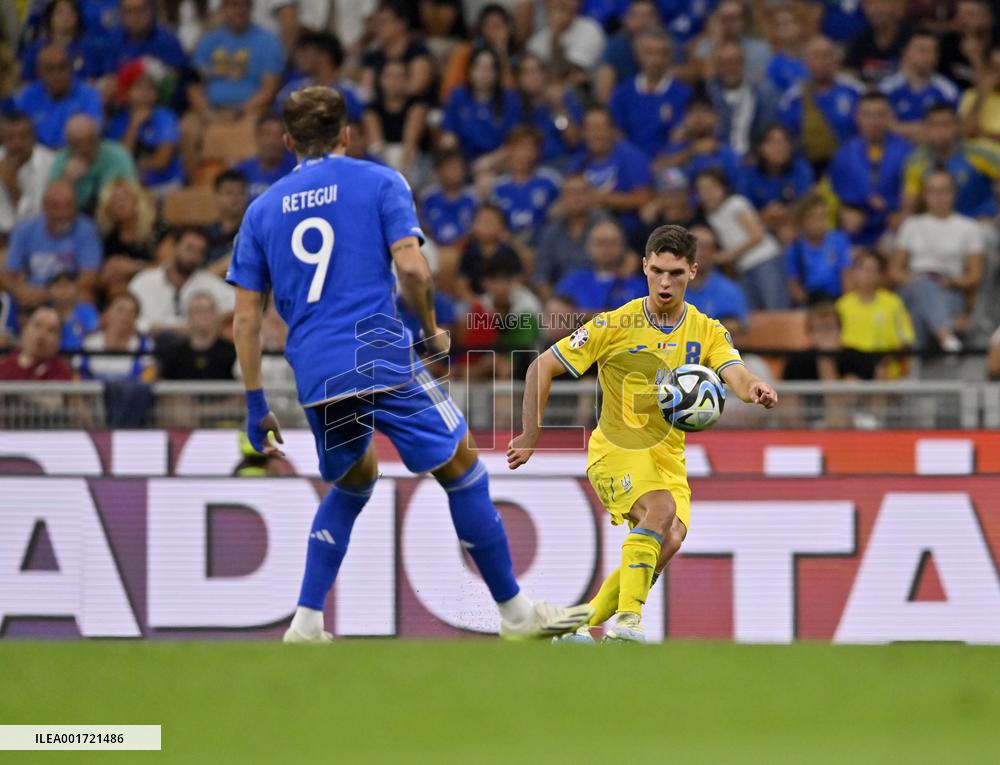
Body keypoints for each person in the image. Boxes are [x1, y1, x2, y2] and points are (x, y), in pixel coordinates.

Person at [226, 86, 592, 643]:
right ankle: (516, 615)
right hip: (377, 352)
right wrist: (429, 330)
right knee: (462, 466)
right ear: (347, 135)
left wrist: (256, 404)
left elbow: (247, 319)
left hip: (317, 372)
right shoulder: (378, 182)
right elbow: (415, 269)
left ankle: (305, 621)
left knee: (354, 482)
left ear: (287, 142)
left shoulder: (261, 211)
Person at [507, 224, 777, 643]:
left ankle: (574, 624)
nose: (666, 283)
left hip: (668, 457)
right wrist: (530, 433)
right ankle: (628, 623)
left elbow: (733, 373)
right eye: (658, 272)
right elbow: (541, 366)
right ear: (644, 268)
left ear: (693, 272)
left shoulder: (706, 329)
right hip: (617, 448)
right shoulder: (615, 324)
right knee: (660, 511)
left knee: (670, 538)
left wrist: (753, 387)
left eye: (677, 274)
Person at [180, 0, 284, 177]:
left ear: (251, 8)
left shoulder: (268, 41)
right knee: (187, 128)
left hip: (251, 109)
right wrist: (207, 111)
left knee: (258, 130)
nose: (239, 10)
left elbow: (269, 89)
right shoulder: (208, 41)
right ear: (223, 9)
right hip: (210, 109)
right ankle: (196, 185)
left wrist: (240, 110)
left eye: (244, 5)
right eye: (233, 5)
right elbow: (193, 85)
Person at [891, 170, 985, 351]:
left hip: (950, 287)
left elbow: (975, 275)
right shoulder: (911, 225)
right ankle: (946, 336)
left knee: (920, 311)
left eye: (944, 191)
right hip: (913, 284)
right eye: (932, 191)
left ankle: (916, 360)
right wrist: (917, 281)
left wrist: (951, 282)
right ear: (925, 195)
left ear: (954, 194)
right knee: (924, 287)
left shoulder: (969, 227)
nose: (938, 197)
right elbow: (895, 270)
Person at [695, 168, 788, 310]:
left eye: (711, 188)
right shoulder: (710, 217)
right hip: (743, 269)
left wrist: (731, 255)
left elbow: (757, 233)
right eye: (702, 190)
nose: (707, 194)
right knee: (752, 313)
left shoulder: (735, 203)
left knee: (776, 307)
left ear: (724, 187)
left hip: (764, 260)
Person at [828, 91, 911, 245]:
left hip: (893, 226)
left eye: (880, 114)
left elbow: (912, 193)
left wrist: (897, 212)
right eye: (868, 115)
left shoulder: (906, 152)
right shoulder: (843, 155)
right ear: (857, 117)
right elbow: (834, 194)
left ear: (889, 117)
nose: (874, 121)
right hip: (856, 229)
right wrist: (843, 212)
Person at [4, 180, 102, 310]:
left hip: (70, 294)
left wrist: (48, 295)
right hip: (32, 295)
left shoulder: (87, 230)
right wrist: (19, 290)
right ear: (44, 206)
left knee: (86, 296)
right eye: (56, 207)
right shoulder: (24, 229)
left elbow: (89, 278)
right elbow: (10, 272)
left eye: (69, 206)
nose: (63, 213)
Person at [128, 226, 234, 335]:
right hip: (147, 344)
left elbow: (239, 305)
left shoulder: (209, 282)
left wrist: (212, 322)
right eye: (189, 249)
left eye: (200, 252)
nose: (193, 257)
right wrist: (149, 328)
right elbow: (126, 314)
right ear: (174, 248)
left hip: (192, 347)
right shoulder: (143, 281)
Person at [778, 36, 864, 169]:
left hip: (852, 164)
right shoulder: (792, 98)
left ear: (836, 60)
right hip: (807, 166)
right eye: (815, 56)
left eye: (826, 56)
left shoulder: (855, 91)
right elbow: (787, 140)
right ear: (805, 62)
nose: (821, 62)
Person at [569, 106, 653, 241]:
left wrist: (601, 199)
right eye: (590, 129)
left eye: (600, 128)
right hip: (585, 232)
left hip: (626, 230)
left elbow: (644, 198)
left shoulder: (632, 157)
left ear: (613, 130)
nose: (595, 134)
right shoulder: (578, 162)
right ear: (583, 133)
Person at [903, 104, 1000, 219]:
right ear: (925, 129)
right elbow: (909, 205)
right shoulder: (916, 160)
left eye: (945, 124)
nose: (940, 131)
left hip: (980, 222)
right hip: (938, 225)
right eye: (933, 125)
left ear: (957, 126)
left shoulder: (982, 152)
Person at [608, 29, 693, 160]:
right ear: (638, 55)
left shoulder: (683, 94)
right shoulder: (622, 94)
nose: (656, 59)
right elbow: (618, 135)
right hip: (630, 163)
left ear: (670, 56)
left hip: (668, 164)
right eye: (650, 53)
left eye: (662, 53)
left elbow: (678, 139)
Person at [104, 57, 183, 196]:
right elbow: (121, 158)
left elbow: (161, 161)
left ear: (157, 94)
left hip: (166, 183)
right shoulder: (118, 121)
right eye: (139, 87)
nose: (145, 93)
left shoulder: (166, 117)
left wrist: (135, 168)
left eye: (151, 88)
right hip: (130, 184)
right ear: (128, 92)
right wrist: (134, 125)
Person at [835, 249, 914, 379]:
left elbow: (906, 341)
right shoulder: (842, 305)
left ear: (879, 275)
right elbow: (837, 345)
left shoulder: (893, 303)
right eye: (863, 270)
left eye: (873, 270)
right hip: (853, 369)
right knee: (851, 382)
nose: (868, 275)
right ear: (854, 273)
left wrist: (884, 363)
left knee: (880, 378)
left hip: (886, 368)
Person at [11, 42, 104, 149]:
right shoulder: (27, 95)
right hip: (35, 153)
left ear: (70, 68)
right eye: (49, 69)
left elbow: (92, 133)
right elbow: (16, 131)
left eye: (62, 67)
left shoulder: (88, 95)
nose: (56, 75)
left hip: (74, 152)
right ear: (39, 71)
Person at [441, 46, 522, 161]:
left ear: (497, 72)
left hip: (499, 163)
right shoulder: (458, 96)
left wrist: (489, 162)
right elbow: (449, 135)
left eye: (490, 68)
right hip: (464, 161)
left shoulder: (510, 99)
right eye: (479, 67)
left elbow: (514, 142)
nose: (484, 73)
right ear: (470, 70)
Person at [534, 173, 609, 294]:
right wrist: (555, 304)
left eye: (581, 193)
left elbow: (626, 262)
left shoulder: (605, 224)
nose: (576, 199)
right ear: (561, 199)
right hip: (562, 299)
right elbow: (541, 277)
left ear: (591, 196)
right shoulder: (551, 232)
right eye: (570, 193)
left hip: (601, 297)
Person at [879, 29, 959, 142]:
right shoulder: (886, 88)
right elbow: (882, 125)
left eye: (932, 51)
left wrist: (899, 127)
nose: (928, 56)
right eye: (921, 50)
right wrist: (922, 129)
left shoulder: (948, 91)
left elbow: (949, 130)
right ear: (906, 52)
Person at [50, 114, 139, 216]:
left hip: (114, 216)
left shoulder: (119, 155)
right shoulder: (61, 161)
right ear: (68, 143)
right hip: (77, 221)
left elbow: (134, 195)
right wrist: (67, 181)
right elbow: (52, 205)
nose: (85, 147)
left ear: (98, 137)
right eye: (77, 143)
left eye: (90, 140)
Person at [554, 219, 647, 313]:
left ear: (623, 246)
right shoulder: (572, 281)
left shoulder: (638, 285)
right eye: (600, 243)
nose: (606, 248)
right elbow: (559, 315)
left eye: (612, 243)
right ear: (588, 247)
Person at [739, 124, 815, 234]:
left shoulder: (801, 169)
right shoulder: (748, 174)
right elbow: (742, 211)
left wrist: (785, 213)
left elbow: (808, 204)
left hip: (795, 227)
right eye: (772, 143)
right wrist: (763, 216)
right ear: (760, 148)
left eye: (784, 142)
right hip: (759, 230)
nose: (779, 148)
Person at [490, 126, 561, 244]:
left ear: (537, 152)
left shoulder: (551, 180)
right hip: (508, 245)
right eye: (517, 148)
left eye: (528, 148)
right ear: (508, 151)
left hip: (542, 242)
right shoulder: (498, 187)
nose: (522, 154)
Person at [276, 31, 365, 123]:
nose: (300, 59)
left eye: (306, 53)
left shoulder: (351, 93)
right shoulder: (292, 89)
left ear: (324, 56)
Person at [515, 52, 584, 164]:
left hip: (563, 161)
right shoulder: (517, 105)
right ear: (520, 80)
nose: (532, 77)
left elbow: (573, 140)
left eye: (536, 71)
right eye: (526, 73)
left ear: (545, 74)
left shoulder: (564, 99)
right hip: (531, 166)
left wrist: (558, 108)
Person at [785, 193, 852, 305]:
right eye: (812, 217)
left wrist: (845, 306)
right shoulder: (794, 247)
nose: (819, 223)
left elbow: (846, 277)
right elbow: (793, 285)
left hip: (835, 299)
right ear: (802, 221)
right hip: (809, 302)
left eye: (823, 216)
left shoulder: (839, 240)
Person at [156, 291, 236, 379]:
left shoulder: (232, 352)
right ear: (189, 316)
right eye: (198, 311)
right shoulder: (174, 355)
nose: (203, 316)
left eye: (208, 310)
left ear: (216, 315)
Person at [0, 112, 56, 239]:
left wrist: (11, 187)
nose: (16, 144)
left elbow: (38, 217)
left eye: (23, 136)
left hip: (37, 238)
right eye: (10, 138)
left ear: (34, 137)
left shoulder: (49, 164)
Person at [685, 223, 748, 334]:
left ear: (714, 253)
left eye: (705, 247)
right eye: (694, 247)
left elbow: (735, 325)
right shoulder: (672, 285)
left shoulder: (728, 289)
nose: (700, 252)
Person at [77, 292, 155, 381]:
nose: (125, 316)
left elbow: (147, 381)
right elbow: (78, 377)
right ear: (107, 312)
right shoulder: (88, 343)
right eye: (120, 310)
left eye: (131, 312)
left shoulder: (146, 346)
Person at [526, 0, 606, 84]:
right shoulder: (536, 41)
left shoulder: (591, 30)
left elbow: (567, 77)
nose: (561, 2)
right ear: (546, 3)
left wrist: (556, 36)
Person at [844, 0, 914, 85]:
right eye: (871, 4)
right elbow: (849, 72)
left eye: (882, 3)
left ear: (895, 6)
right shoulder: (861, 39)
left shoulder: (911, 37)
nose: (877, 9)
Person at [420, 149, 479, 248]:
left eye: (457, 167)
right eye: (449, 167)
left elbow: (475, 229)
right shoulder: (427, 197)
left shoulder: (473, 198)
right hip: (434, 249)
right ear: (439, 171)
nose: (454, 172)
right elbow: (423, 225)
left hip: (465, 251)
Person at [0, 305, 74, 380]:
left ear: (59, 340)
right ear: (25, 329)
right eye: (37, 325)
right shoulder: (5, 364)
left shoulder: (61, 371)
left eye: (51, 330)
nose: (42, 335)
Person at [234, 114, 296, 202]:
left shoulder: (296, 170)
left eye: (278, 135)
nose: (272, 141)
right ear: (257, 136)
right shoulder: (242, 171)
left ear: (286, 139)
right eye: (267, 134)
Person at [204, 169, 248, 273]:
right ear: (216, 196)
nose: (235, 198)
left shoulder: (252, 233)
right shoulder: (205, 234)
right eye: (229, 193)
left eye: (241, 193)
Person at [959, 43, 1000, 145]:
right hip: (977, 157)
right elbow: (967, 132)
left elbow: (974, 134)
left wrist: (980, 134)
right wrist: (981, 95)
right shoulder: (971, 95)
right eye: (995, 69)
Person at [47, 270, 99, 351]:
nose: (63, 291)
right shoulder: (45, 314)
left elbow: (92, 335)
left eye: (67, 285)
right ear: (50, 290)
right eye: (58, 286)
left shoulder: (87, 312)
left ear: (76, 288)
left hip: (82, 354)